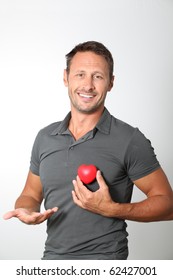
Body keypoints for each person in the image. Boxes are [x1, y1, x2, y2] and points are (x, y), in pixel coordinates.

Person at [4, 41, 173, 260]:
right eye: (80, 74)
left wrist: (113, 209)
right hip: (52, 262)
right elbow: (30, 194)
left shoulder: (129, 139)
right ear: (66, 77)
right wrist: (26, 210)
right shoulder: (45, 138)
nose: (88, 85)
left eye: (98, 76)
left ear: (111, 83)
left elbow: (168, 205)